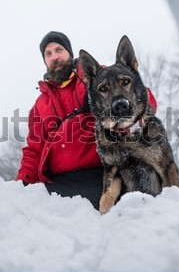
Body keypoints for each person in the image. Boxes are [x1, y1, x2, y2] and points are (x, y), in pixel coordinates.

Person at [16, 31, 157, 210]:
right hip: (59, 185)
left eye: (59, 50)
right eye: (48, 54)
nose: (54, 57)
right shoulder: (40, 105)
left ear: (69, 53)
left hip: (104, 174)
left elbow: (143, 97)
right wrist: (21, 185)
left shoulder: (98, 78)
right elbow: (33, 151)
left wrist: (133, 112)